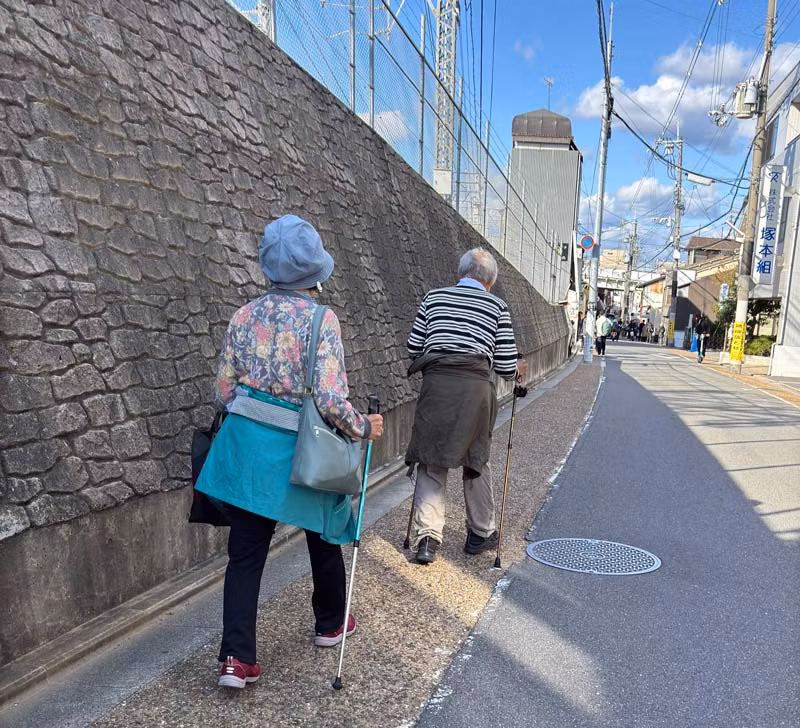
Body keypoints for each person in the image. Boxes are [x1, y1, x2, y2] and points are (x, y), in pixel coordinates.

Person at [195, 214, 384, 689]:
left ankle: (236, 660)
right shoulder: (322, 320)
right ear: (314, 271)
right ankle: (331, 622)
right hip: (299, 451)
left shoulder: (244, 315)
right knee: (323, 531)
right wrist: (364, 426)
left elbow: (222, 391)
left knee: (245, 553)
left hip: (246, 451)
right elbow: (329, 399)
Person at [404, 248, 528, 565]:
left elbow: (414, 347)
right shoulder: (497, 307)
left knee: (432, 460)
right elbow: (503, 365)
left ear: (460, 274)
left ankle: (427, 540)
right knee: (476, 458)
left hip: (437, 386)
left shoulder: (433, 299)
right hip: (476, 390)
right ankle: (480, 533)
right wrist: (518, 370)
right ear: (491, 280)